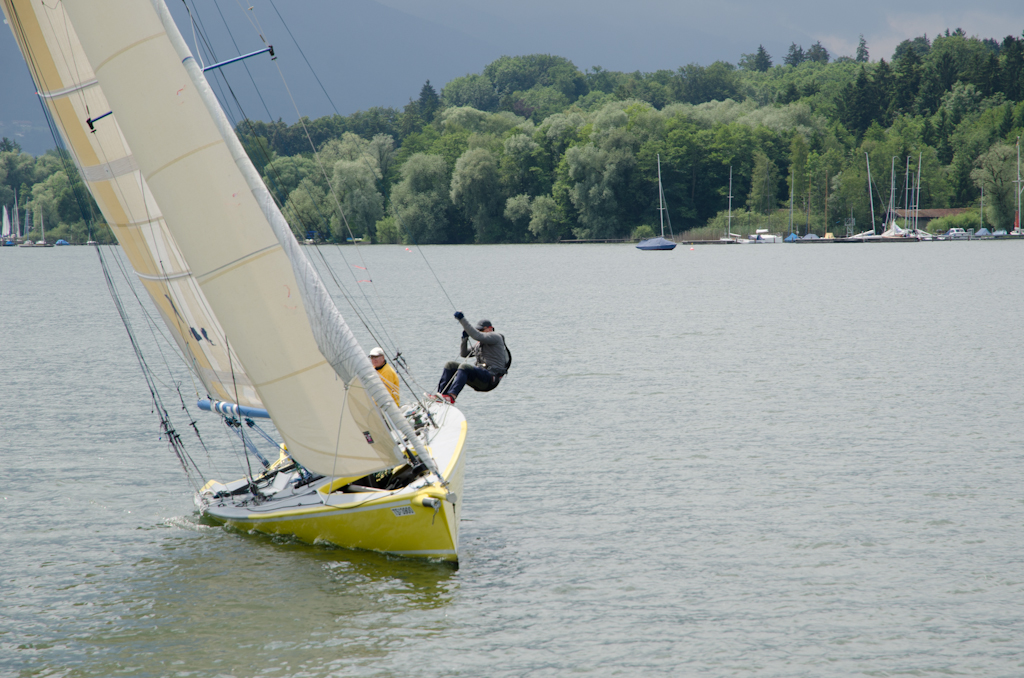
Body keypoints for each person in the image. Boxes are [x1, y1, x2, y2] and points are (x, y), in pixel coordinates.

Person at [435, 312, 510, 404]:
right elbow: (464, 353)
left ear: (490, 328)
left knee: (464, 367)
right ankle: (441, 395)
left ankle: (451, 396)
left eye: (481, 330)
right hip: (481, 377)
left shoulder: (495, 337)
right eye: (478, 330)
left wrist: (462, 319)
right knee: (450, 365)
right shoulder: (480, 344)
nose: (480, 332)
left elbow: (476, 335)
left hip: (490, 379)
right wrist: (464, 339)